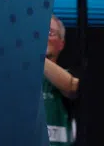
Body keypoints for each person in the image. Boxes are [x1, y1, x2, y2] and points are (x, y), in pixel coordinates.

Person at [43, 16, 79, 145]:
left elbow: (72, 87)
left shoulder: (68, 76)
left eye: (49, 32)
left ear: (61, 44)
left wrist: (35, 52)